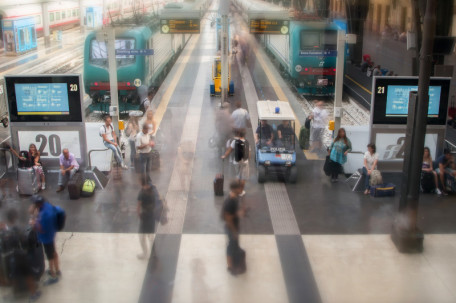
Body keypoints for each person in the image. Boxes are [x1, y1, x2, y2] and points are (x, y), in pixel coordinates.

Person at [30, 195, 60, 285]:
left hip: (47, 237)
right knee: (53, 252)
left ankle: (53, 275)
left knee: (50, 256)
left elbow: (40, 228)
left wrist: (33, 223)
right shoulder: (47, 206)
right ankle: (57, 270)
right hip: (51, 233)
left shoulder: (44, 214)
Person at [222, 180, 244, 275]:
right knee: (230, 247)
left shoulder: (235, 198)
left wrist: (238, 213)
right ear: (235, 189)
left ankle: (234, 263)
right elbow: (228, 218)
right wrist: (234, 231)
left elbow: (232, 214)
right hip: (231, 228)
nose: (242, 189)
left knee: (234, 245)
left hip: (234, 227)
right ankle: (230, 267)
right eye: (240, 188)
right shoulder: (230, 202)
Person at [221, 129, 250, 196]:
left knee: (237, 176)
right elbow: (249, 154)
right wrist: (247, 160)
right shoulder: (247, 142)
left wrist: (224, 156)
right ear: (245, 135)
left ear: (239, 134)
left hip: (236, 161)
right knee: (243, 177)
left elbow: (229, 149)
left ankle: (235, 191)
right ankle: (241, 192)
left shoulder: (235, 141)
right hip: (245, 162)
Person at [136, 177, 156, 260]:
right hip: (152, 215)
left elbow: (138, 206)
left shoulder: (142, 193)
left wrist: (139, 214)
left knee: (142, 236)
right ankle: (153, 253)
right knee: (150, 236)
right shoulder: (153, 189)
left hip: (145, 216)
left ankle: (145, 253)